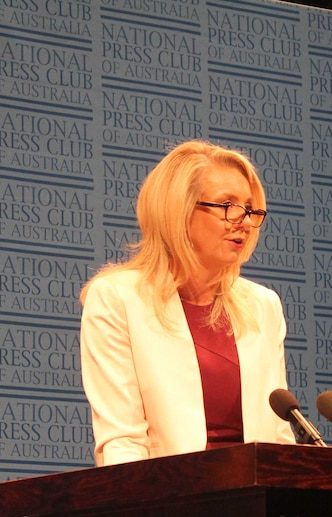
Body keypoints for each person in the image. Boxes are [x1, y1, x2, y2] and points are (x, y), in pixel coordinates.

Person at [79, 140, 296, 466]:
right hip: (168, 504)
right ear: (179, 210)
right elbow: (122, 443)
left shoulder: (263, 306)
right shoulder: (117, 299)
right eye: (228, 205)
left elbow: (277, 438)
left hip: (256, 502)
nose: (245, 222)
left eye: (250, 209)